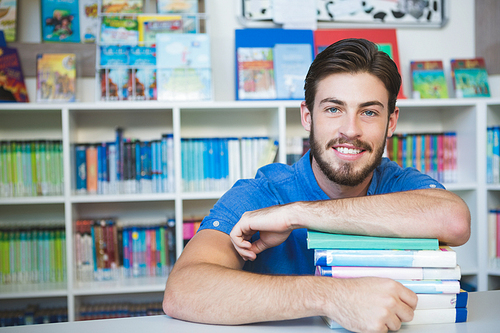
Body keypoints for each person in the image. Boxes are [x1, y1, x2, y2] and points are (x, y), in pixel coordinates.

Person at [163, 38, 471, 333]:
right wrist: (332, 296)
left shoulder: (400, 183)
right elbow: (183, 290)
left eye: (369, 112)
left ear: (391, 122)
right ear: (308, 116)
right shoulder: (263, 192)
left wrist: (296, 214)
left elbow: (455, 220)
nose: (350, 130)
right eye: (334, 109)